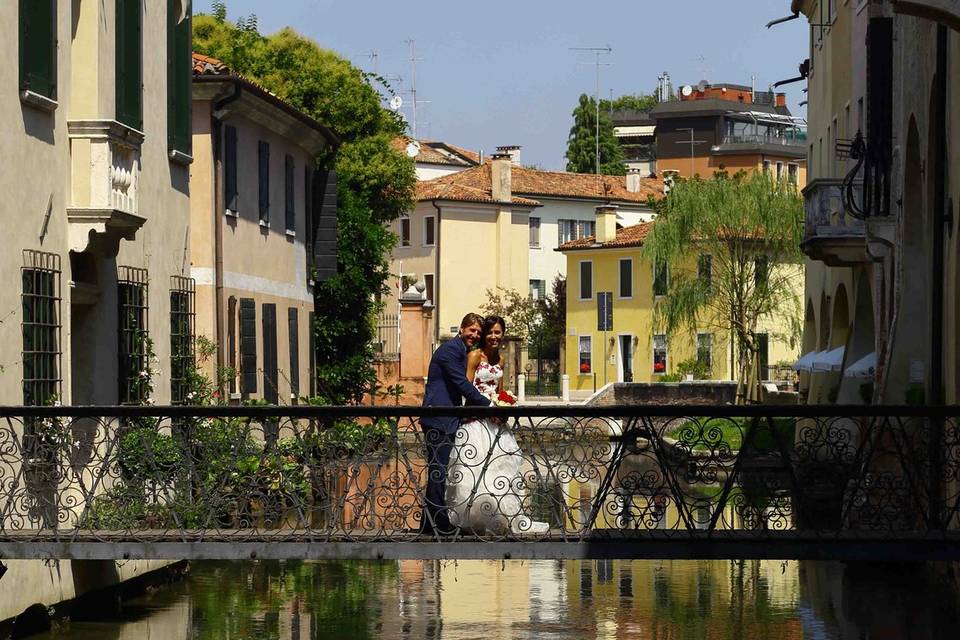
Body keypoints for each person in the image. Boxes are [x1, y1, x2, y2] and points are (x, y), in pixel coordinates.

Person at [445, 315, 550, 535]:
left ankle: (501, 518)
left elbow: (500, 391)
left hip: (495, 423)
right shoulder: (474, 356)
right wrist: (486, 407)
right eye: (490, 332)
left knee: (501, 468)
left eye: (498, 332)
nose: (494, 336)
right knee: (474, 469)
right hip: (476, 421)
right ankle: (471, 520)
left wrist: (503, 405)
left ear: (502, 334)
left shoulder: (501, 360)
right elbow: (466, 388)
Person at [420, 312, 492, 534]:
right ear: (461, 329)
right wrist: (488, 404)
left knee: (438, 470)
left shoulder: (460, 350)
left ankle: (427, 524)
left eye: (478, 332)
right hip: (438, 416)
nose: (475, 335)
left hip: (446, 417)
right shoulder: (451, 350)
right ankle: (439, 524)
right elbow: (460, 382)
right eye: (471, 330)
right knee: (438, 471)